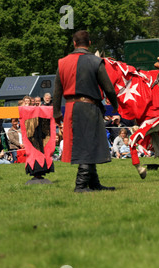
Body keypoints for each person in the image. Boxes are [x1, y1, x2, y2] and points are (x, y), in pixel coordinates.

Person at [53, 30, 119, 192]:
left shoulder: (62, 62)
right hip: (88, 107)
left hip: (70, 107)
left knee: (89, 143)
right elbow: (109, 88)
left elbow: (57, 91)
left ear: (74, 43)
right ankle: (81, 185)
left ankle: (93, 183)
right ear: (89, 43)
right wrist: (116, 106)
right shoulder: (95, 61)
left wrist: (56, 112)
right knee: (88, 144)